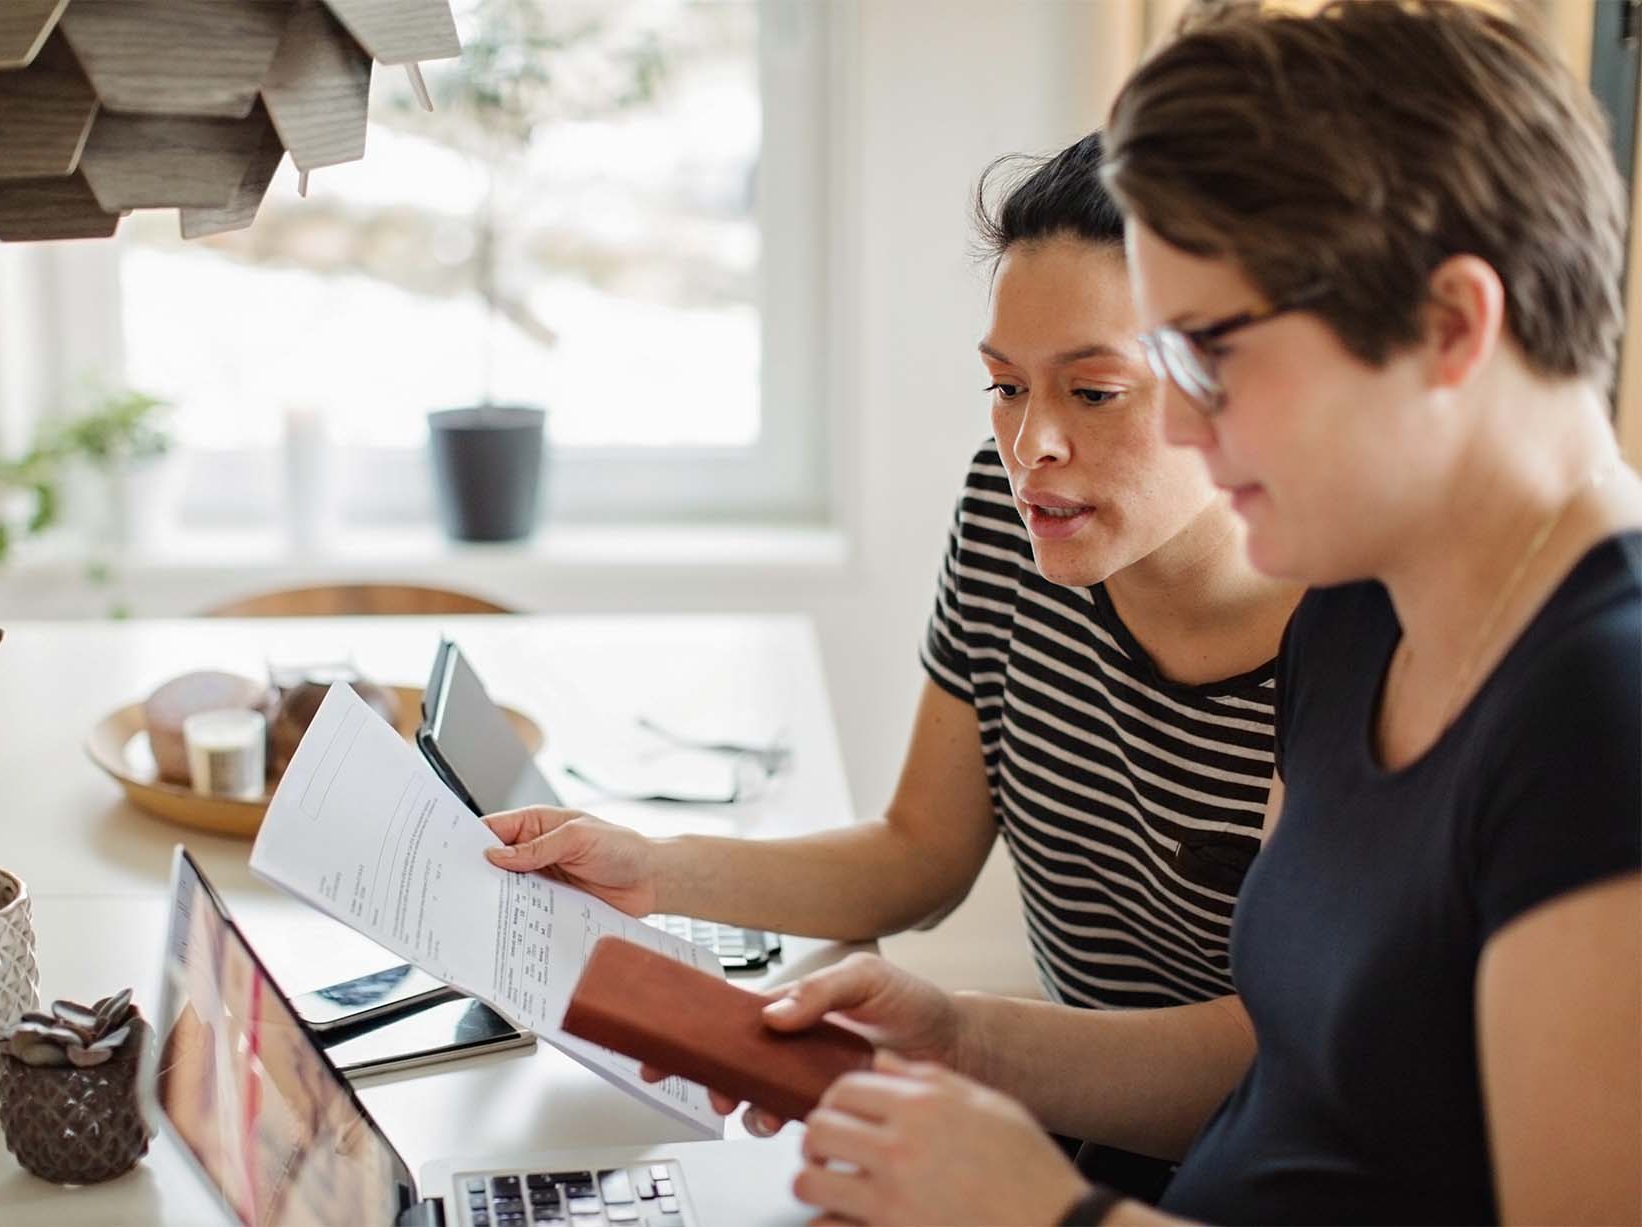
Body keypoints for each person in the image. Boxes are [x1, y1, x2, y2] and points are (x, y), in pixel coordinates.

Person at [634, 3, 1640, 1224]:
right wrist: (962, 1042)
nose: (1180, 424)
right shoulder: (1360, 616)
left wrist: (1052, 1215)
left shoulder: (1603, 712)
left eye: (1212, 359)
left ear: (1448, 328)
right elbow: (1281, 1079)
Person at [484, 132, 1302, 1024]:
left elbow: (1280, 1058)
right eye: (1006, 386)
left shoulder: (1351, 628)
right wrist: (653, 865)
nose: (1032, 448)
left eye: (1094, 392)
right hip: (1071, 1129)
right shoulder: (1010, 508)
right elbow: (919, 855)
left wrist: (957, 1042)